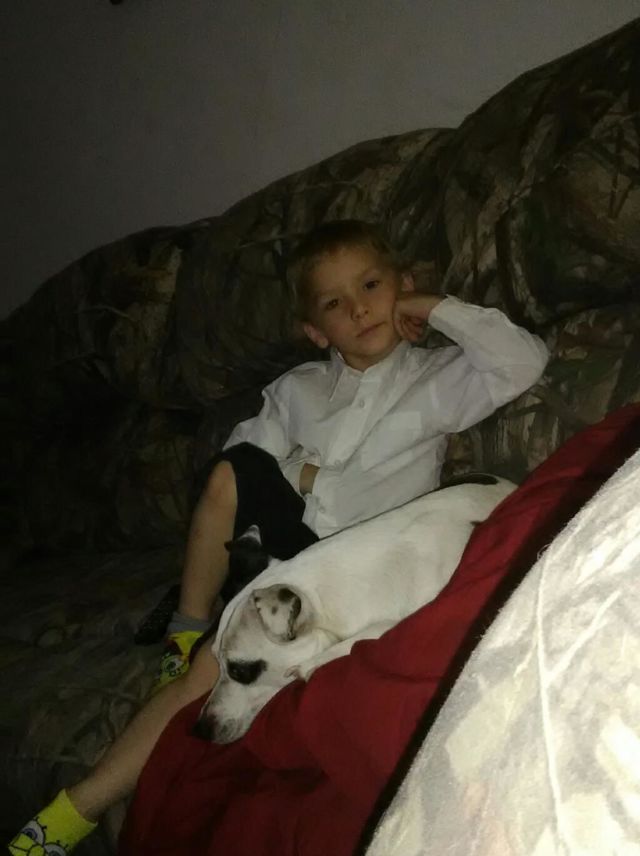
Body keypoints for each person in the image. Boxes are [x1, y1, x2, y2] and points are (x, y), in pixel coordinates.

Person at [9, 219, 549, 854]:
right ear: (317, 331)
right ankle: (75, 802)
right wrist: (304, 475)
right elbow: (243, 462)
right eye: (334, 303)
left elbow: (524, 361)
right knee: (227, 496)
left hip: (363, 564)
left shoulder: (435, 380)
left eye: (371, 286)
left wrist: (430, 307)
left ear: (401, 286)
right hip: (288, 552)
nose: (359, 309)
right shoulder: (296, 390)